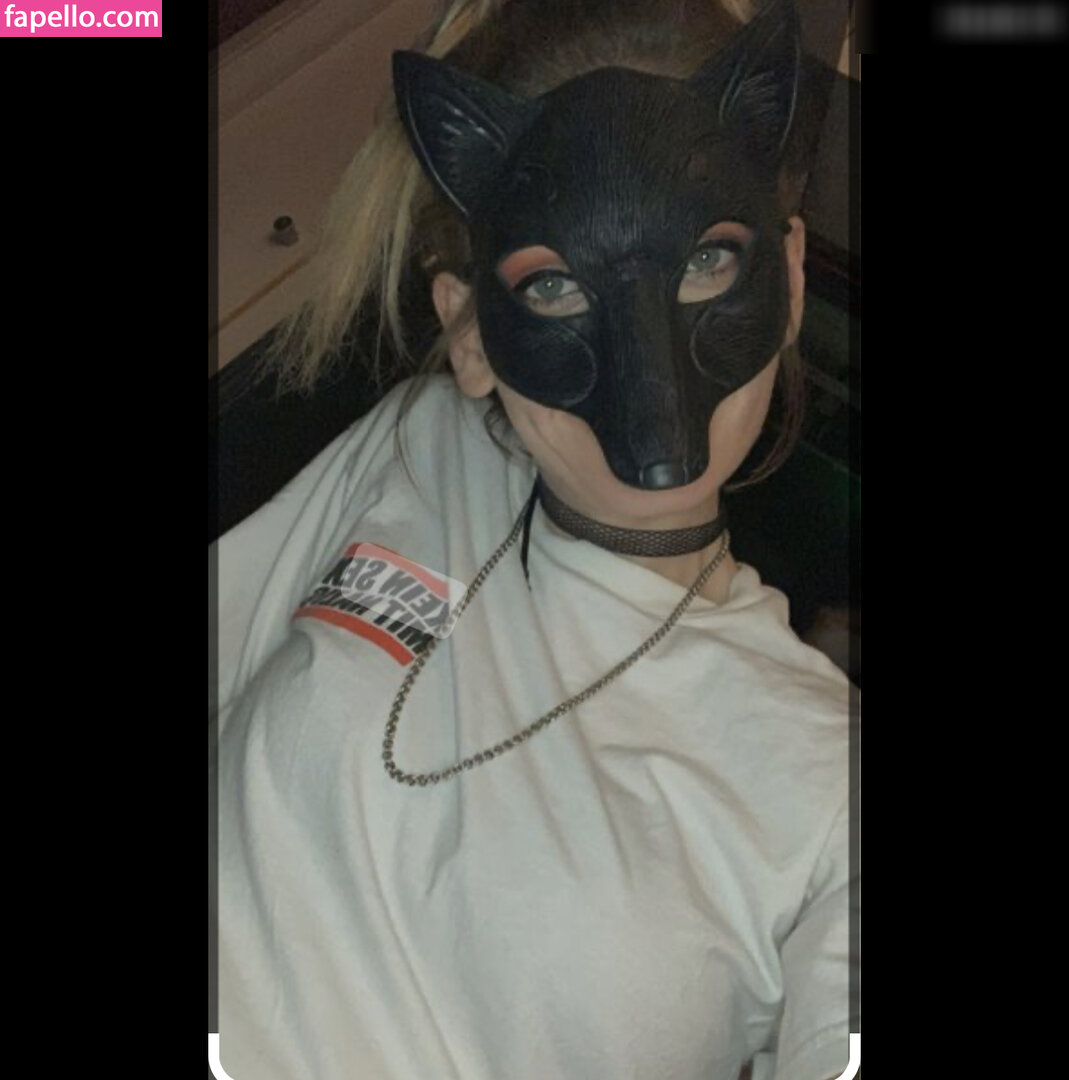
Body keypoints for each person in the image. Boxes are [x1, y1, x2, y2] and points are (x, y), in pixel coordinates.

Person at [211, 1, 859, 1078]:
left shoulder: (830, 780)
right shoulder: (422, 452)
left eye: (706, 261)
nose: (655, 417)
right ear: (468, 330)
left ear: (787, 279)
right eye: (553, 286)